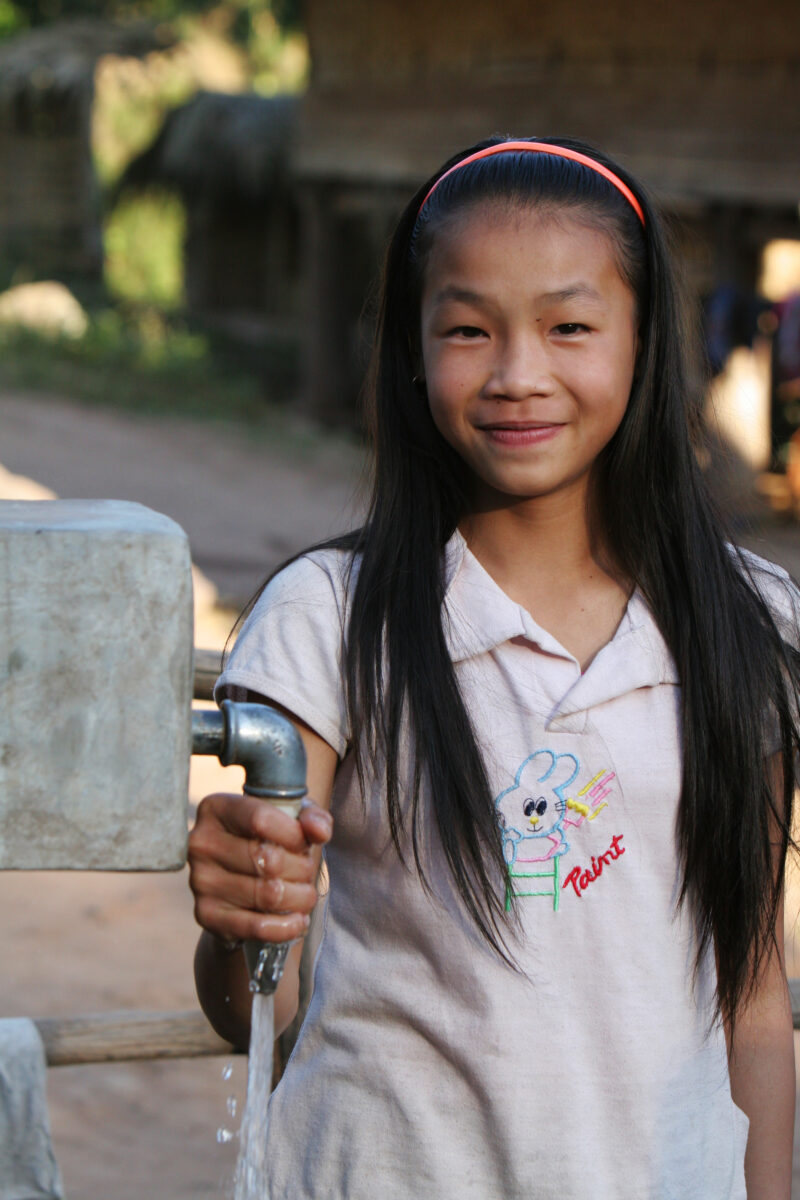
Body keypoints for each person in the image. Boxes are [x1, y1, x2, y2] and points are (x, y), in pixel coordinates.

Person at [187, 137, 798, 1198]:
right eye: (467, 329)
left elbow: (750, 998)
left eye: (568, 326)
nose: (518, 374)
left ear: (643, 343)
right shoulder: (332, 621)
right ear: (412, 350)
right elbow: (254, 1000)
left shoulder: (744, 622)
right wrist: (244, 919)